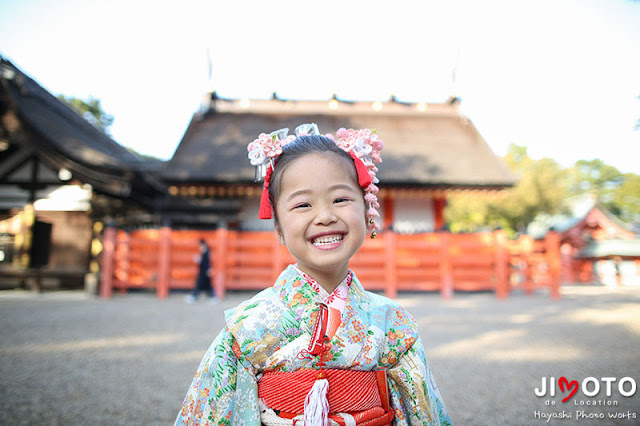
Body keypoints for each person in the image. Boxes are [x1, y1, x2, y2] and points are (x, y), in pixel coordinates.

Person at [176, 124, 450, 425]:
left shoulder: (395, 325)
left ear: (367, 210)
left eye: (341, 200)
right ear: (279, 228)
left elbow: (422, 414)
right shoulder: (247, 327)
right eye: (303, 204)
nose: (325, 216)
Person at [185, 239, 217, 304]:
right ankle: (212, 296)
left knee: (200, 284)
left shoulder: (206, 253)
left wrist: (207, 268)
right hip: (203, 272)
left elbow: (207, 263)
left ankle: (194, 296)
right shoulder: (205, 253)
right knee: (207, 285)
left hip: (205, 272)